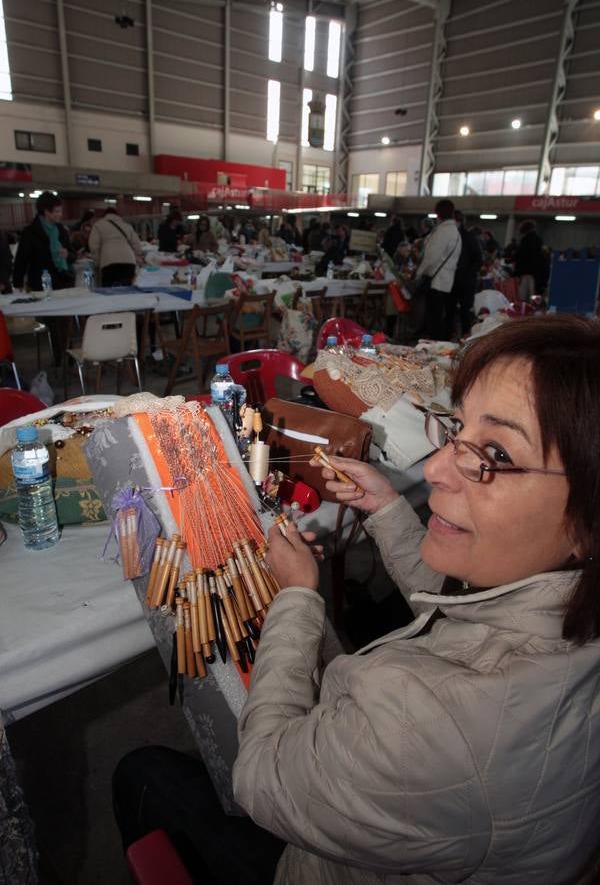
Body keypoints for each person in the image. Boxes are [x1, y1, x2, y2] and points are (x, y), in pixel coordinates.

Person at [113, 315, 600, 884]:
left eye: (493, 454)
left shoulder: (429, 722)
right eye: (457, 430)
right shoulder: (556, 614)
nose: (439, 468)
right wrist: (388, 507)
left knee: (141, 775)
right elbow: (471, 615)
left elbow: (261, 776)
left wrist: (296, 597)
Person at [416, 198, 461, 340]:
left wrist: (419, 273)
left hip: (436, 281)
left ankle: (433, 348)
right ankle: (439, 346)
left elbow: (431, 257)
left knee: (433, 319)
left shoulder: (443, 232)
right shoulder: (456, 233)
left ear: (438, 214)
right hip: (447, 281)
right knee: (439, 317)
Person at [13, 191, 73, 291]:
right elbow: (21, 259)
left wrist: (67, 255)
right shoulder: (31, 232)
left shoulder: (61, 230)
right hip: (40, 283)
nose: (60, 215)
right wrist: (18, 283)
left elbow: (72, 254)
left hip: (63, 281)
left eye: (60, 211)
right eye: (57, 211)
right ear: (46, 212)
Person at [446, 210, 484, 337]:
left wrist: (465, 274)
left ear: (459, 222)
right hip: (452, 281)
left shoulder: (469, 237)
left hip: (465, 282)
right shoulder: (450, 237)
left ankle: (466, 337)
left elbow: (478, 260)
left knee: (465, 312)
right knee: (450, 311)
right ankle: (449, 337)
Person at [88, 207, 142, 287]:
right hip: (129, 262)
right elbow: (137, 245)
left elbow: (94, 246)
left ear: (104, 215)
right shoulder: (127, 225)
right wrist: (136, 257)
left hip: (109, 263)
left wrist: (97, 263)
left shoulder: (98, 225)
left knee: (110, 293)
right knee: (128, 291)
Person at [515, 219, 547, 299]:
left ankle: (524, 309)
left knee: (523, 295)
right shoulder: (539, 240)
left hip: (525, 271)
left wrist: (517, 272)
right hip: (536, 272)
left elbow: (520, 257)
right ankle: (533, 308)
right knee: (533, 294)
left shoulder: (525, 240)